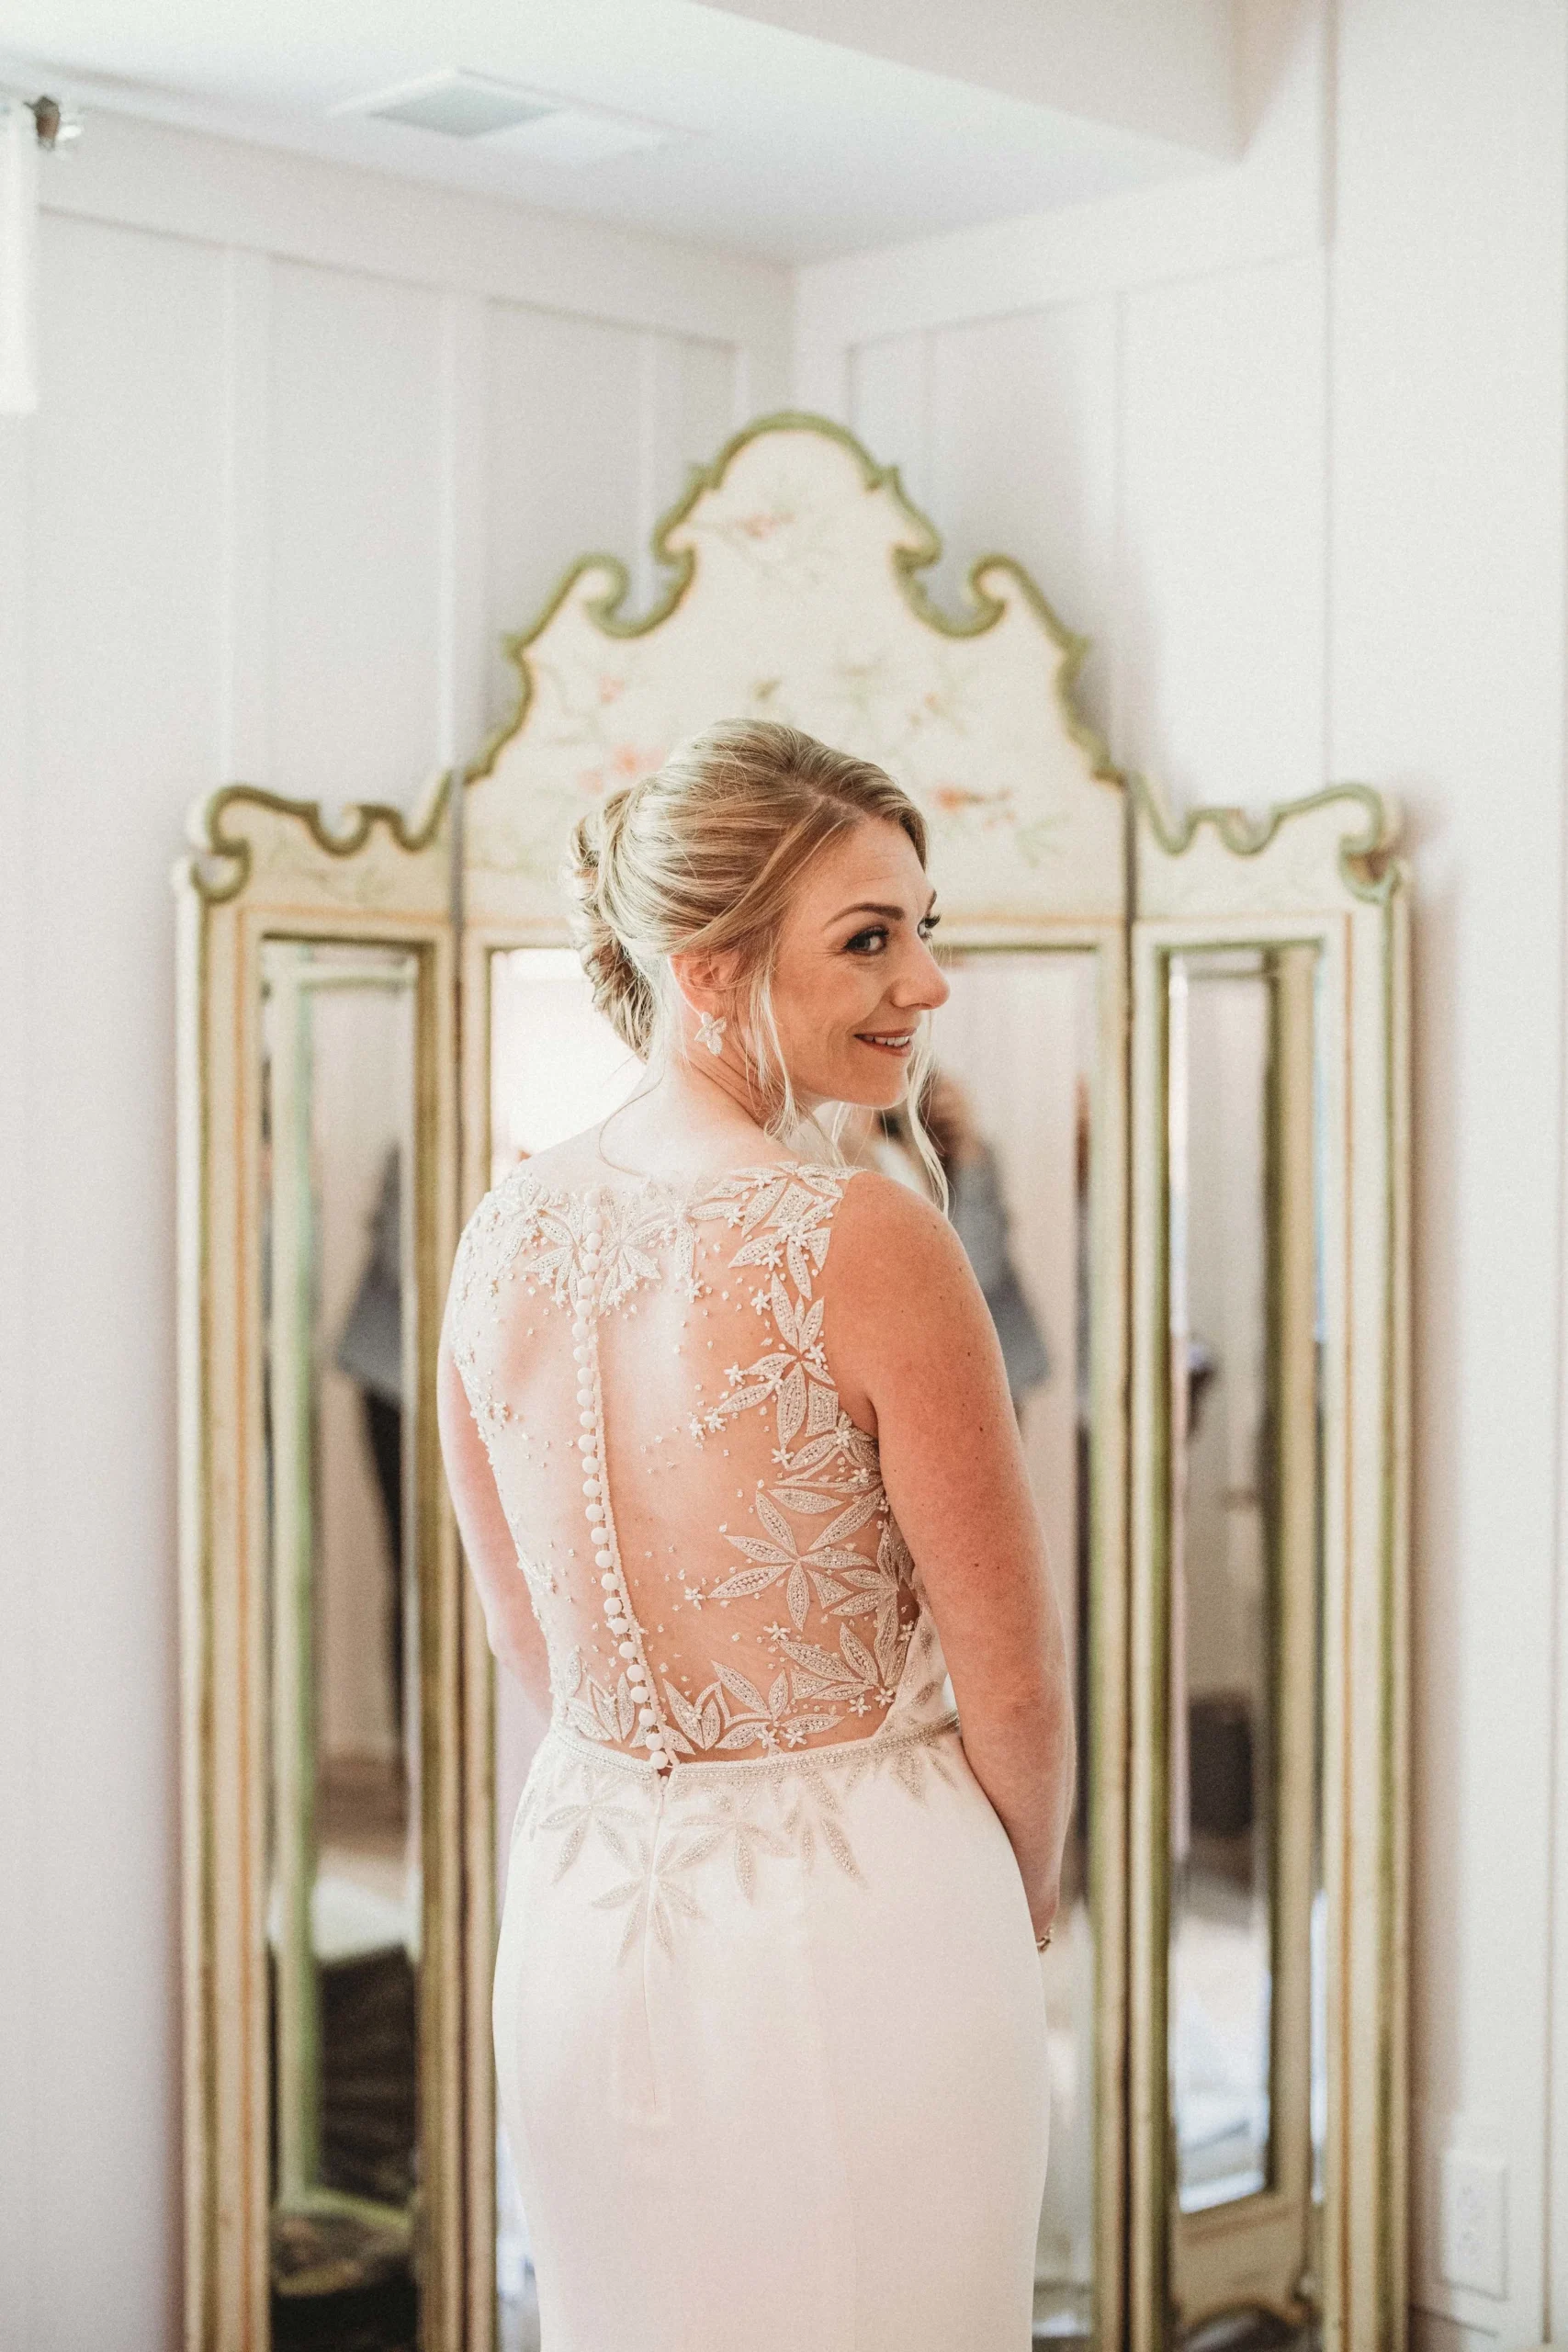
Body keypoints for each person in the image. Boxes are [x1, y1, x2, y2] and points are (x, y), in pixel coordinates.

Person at [437, 718, 1074, 2351]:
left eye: (921, 927)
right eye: (867, 939)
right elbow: (1012, 1677)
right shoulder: (869, 1239)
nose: (924, 982)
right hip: (862, 1910)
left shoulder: (500, 1232)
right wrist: (1014, 1904)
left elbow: (525, 1635)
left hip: (585, 1902)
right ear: (707, 969)